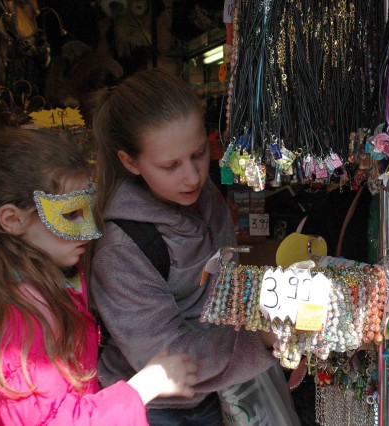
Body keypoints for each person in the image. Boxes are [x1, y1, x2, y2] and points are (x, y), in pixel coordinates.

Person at [0, 129, 198, 425]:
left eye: (89, 211)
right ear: (12, 220)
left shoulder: (34, 281)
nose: (90, 230)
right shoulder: (14, 321)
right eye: (71, 214)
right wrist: (144, 387)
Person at [91, 69, 280, 425]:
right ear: (130, 162)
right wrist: (262, 341)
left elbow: (227, 285)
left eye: (198, 154)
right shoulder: (120, 251)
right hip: (154, 409)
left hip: (215, 391)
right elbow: (168, 358)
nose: (192, 176)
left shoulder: (205, 197)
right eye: (170, 165)